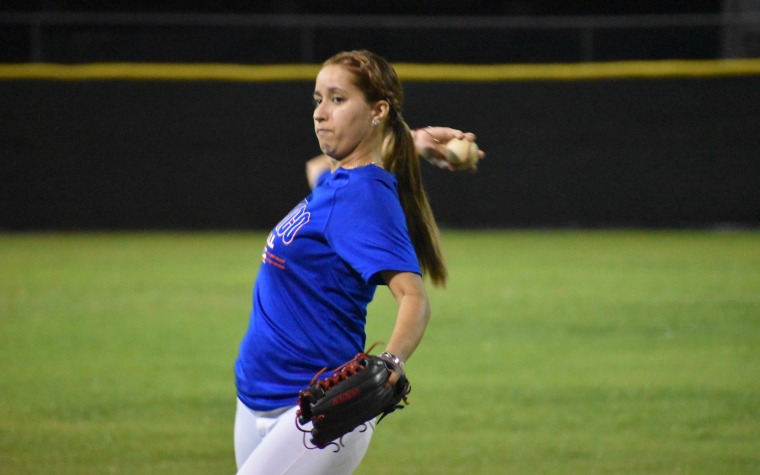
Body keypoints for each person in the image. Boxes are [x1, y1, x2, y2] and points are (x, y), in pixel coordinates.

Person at [233, 49, 484, 475]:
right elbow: (318, 170)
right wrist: (413, 141)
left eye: (337, 99)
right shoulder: (340, 181)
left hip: (314, 413)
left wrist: (391, 363)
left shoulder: (365, 198)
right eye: (317, 100)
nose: (320, 113)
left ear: (377, 109)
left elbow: (413, 298)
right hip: (257, 397)